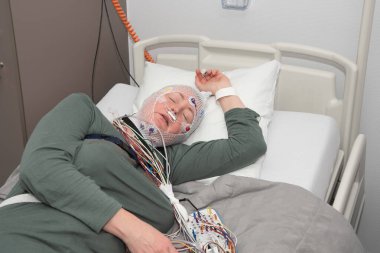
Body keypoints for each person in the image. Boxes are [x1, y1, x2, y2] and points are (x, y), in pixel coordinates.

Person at [0, 69, 266, 253]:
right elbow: (41, 166)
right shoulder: (86, 115)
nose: (176, 110)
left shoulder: (166, 164)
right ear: (150, 98)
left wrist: (222, 89)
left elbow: (248, 145)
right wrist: (135, 231)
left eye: (187, 117)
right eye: (172, 99)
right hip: (26, 235)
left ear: (184, 135)